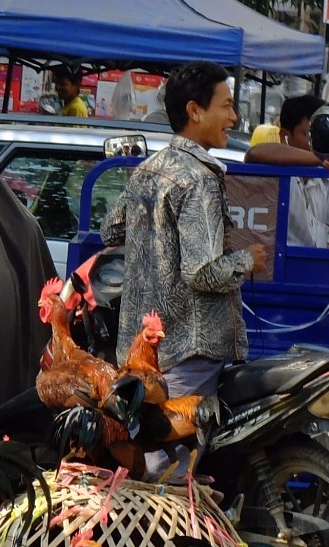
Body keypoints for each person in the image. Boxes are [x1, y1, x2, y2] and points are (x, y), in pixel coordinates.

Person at [100, 62, 265, 401]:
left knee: (148, 447)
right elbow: (202, 273)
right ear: (195, 111)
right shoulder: (199, 178)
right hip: (187, 350)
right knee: (176, 452)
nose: (234, 118)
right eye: (226, 106)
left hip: (143, 346)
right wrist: (248, 261)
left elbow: (111, 230)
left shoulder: (149, 169)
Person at [244, 93, 329, 249]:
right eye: (308, 135)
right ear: (285, 135)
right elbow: (255, 153)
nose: (319, 143)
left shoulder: (326, 185)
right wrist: (323, 158)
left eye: (323, 136)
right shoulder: (273, 179)